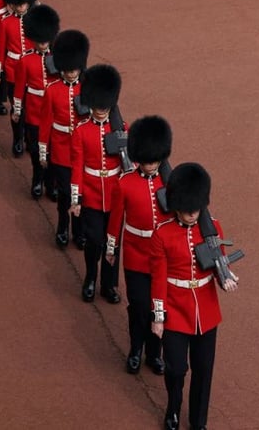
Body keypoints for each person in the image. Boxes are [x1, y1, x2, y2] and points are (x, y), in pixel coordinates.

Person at [150, 162, 239, 430]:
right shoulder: (163, 234)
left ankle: (199, 422)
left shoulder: (213, 227)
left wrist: (226, 278)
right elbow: (158, 278)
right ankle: (174, 408)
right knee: (176, 369)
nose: (192, 214)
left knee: (204, 371)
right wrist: (158, 316)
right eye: (188, 210)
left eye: (196, 209)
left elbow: (218, 264)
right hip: (175, 310)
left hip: (206, 310)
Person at [106, 115, 172, 375]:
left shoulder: (169, 182)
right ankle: (136, 348)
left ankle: (154, 354)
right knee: (138, 306)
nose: (151, 164)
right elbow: (115, 219)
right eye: (147, 160)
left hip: (162, 256)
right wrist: (112, 248)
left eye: (155, 159)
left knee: (159, 305)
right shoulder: (125, 182)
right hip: (135, 252)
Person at [71, 64, 126, 304]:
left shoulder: (121, 129)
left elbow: (128, 164)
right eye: (98, 105)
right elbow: (77, 166)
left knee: (113, 242)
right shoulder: (82, 130)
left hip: (115, 193)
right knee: (94, 240)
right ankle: (91, 277)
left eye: (105, 106)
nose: (101, 110)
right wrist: (76, 198)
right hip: (92, 194)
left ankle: (109, 284)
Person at [38, 30, 89, 247]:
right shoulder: (52, 90)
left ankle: (79, 232)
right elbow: (45, 122)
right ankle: (62, 228)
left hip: (82, 149)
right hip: (60, 147)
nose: (70, 73)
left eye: (74, 69)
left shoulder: (87, 89)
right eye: (67, 70)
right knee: (66, 194)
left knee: (81, 194)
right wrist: (43, 150)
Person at [13, 4, 59, 199]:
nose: (43, 44)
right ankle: (37, 180)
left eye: (45, 41)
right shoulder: (26, 60)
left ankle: (50, 183)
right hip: (34, 109)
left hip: (53, 111)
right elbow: (19, 87)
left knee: (52, 149)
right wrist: (16, 109)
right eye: (39, 41)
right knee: (35, 149)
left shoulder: (58, 59)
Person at [0, 0, 37, 156]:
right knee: (16, 107)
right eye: (17, 3)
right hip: (12, 71)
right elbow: (1, 49)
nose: (20, 6)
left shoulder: (35, 20)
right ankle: (17, 138)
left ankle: (28, 137)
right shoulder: (5, 22)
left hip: (31, 71)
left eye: (23, 3)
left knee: (30, 108)